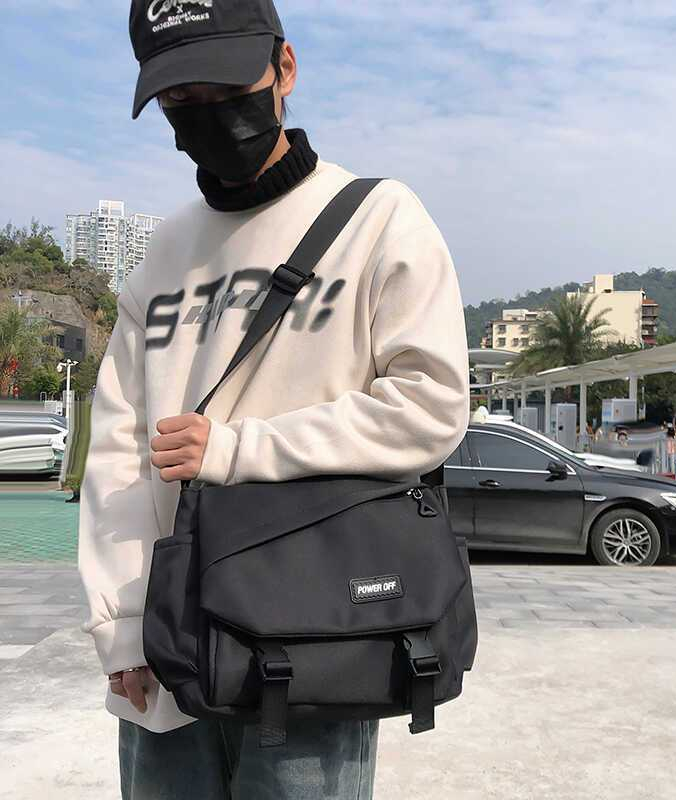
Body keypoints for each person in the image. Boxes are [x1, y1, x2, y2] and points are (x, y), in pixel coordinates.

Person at [77, 2, 472, 798]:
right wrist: (120, 625)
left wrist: (234, 448)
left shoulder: (379, 219)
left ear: (284, 70)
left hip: (310, 638)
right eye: (180, 99)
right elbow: (118, 446)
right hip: (167, 646)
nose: (206, 115)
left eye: (226, 89)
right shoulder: (164, 251)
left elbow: (430, 405)